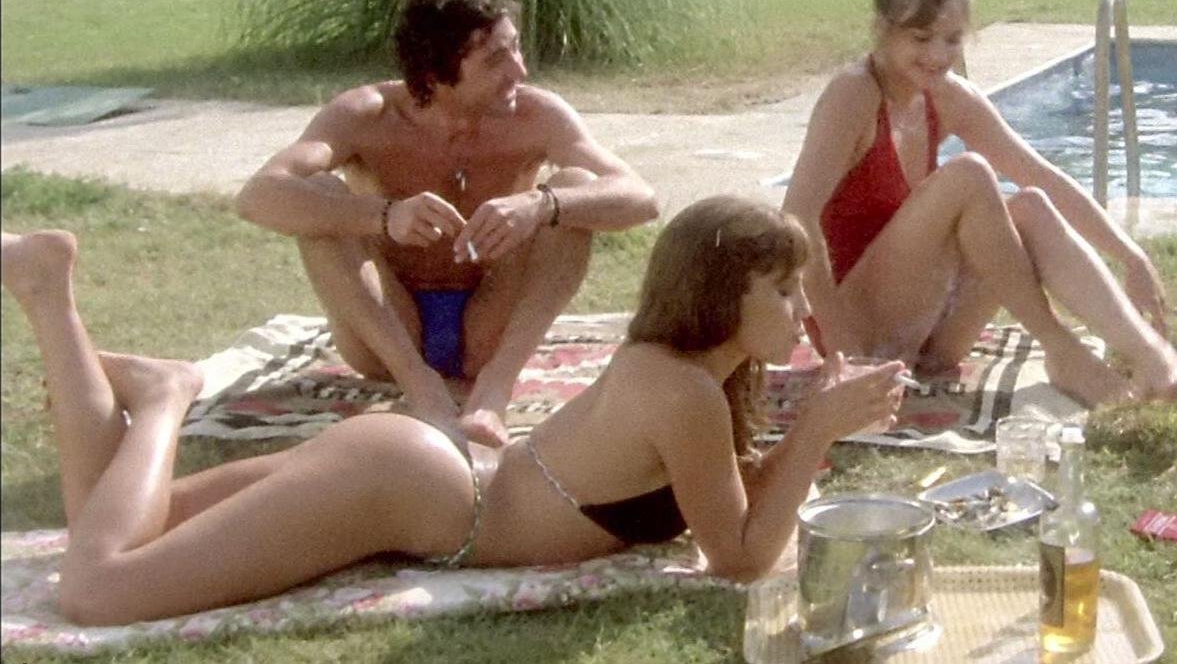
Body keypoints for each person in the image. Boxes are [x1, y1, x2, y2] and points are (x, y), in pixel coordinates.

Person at [0, 197, 906, 626]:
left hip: (414, 470)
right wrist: (818, 430)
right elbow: (740, 559)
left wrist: (812, 428)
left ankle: (46, 289)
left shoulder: (682, 375)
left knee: (105, 517)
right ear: (720, 293)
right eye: (781, 289)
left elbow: (733, 506)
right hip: (412, 489)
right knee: (98, 589)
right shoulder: (684, 390)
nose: (801, 310)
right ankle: (166, 396)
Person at [235, 0, 659, 447]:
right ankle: (420, 386)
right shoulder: (367, 115)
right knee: (317, 196)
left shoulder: (536, 116)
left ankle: (495, 389)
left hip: (490, 325)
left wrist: (539, 205)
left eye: (516, 49)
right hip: (388, 328)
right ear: (434, 72)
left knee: (575, 192)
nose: (518, 70)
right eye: (495, 60)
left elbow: (641, 197)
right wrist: (384, 216)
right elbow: (258, 196)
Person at [782, 0, 1177, 407]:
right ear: (883, 29)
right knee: (969, 175)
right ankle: (1061, 348)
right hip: (856, 329)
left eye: (951, 39)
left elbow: (1041, 175)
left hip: (928, 333)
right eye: (921, 38)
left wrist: (1131, 256)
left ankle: (1159, 362)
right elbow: (796, 217)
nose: (937, 55)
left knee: (1030, 206)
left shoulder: (947, 96)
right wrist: (844, 352)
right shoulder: (854, 94)